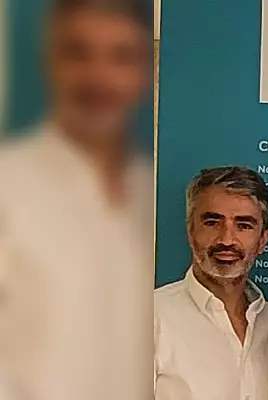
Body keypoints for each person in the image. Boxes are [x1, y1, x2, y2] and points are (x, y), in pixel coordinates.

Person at [0, 1, 153, 399]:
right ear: (50, 62)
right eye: (78, 53)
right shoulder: (8, 184)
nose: (98, 77)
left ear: (145, 72)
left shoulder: (155, 193)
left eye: (121, 57)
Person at [152, 166, 268, 399]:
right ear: (191, 231)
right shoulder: (150, 318)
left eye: (243, 225)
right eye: (212, 222)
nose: (227, 240)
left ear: (262, 240)